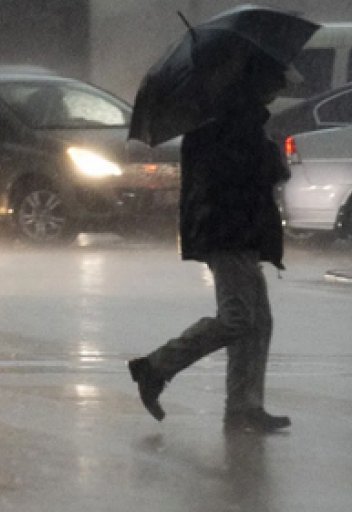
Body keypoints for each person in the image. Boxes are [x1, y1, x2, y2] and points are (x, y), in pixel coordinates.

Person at [128, 53, 294, 433]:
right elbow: (245, 177)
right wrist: (270, 159)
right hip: (228, 232)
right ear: (255, 84)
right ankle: (155, 367)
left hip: (237, 231)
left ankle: (244, 406)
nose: (276, 92)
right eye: (273, 84)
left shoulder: (232, 119)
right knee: (239, 318)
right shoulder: (231, 123)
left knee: (258, 321)